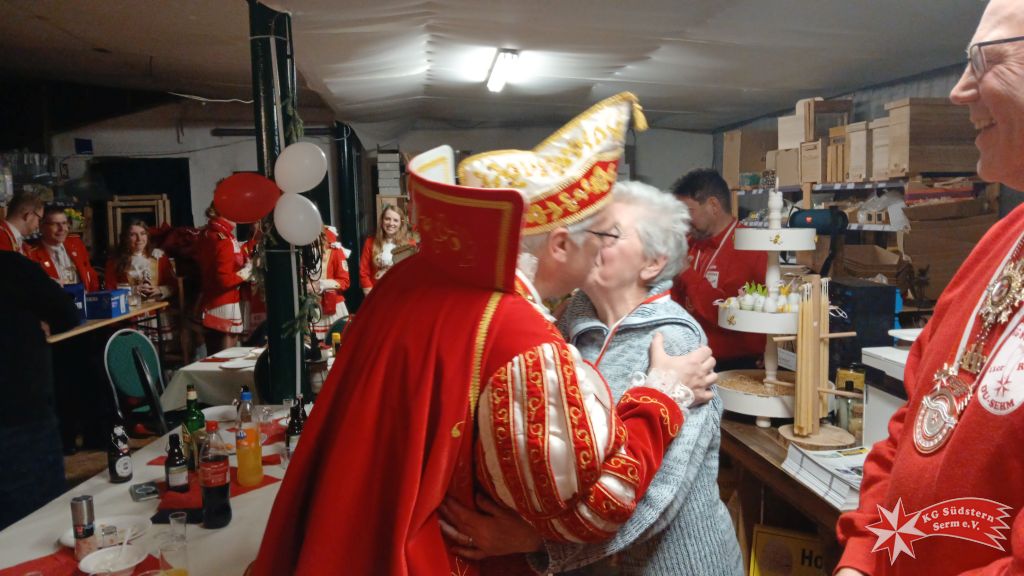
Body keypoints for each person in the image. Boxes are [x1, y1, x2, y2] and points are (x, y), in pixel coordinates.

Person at [251, 93, 718, 575]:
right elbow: (601, 506)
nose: (602, 249)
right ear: (560, 244)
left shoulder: (414, 273)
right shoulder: (524, 338)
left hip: (355, 525)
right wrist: (662, 394)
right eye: (602, 234)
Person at [441, 182, 744, 575]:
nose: (588, 240)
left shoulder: (675, 342)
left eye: (609, 234)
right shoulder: (570, 320)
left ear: (652, 263)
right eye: (589, 229)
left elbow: (658, 500)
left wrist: (535, 542)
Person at [836, 2, 1024, 574]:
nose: (959, 91)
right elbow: (915, 419)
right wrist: (861, 558)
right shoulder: (1001, 240)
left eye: (983, 61)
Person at [0, 250, 79, 529]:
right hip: (21, 412)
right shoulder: (10, 267)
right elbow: (66, 312)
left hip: (21, 409)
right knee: (38, 519)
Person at [670, 169, 766, 369]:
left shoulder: (750, 247)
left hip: (735, 364)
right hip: (689, 358)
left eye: (688, 212)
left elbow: (726, 314)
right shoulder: (690, 242)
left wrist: (687, 272)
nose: (683, 221)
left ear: (713, 205)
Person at [195, 203, 256, 355]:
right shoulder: (223, 239)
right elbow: (224, 280)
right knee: (224, 358)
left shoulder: (210, 234)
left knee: (218, 356)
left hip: (214, 301)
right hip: (223, 304)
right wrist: (247, 271)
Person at [28, 205, 100, 292]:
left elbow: (90, 275)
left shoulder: (76, 243)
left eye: (64, 223)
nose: (62, 229)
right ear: (41, 227)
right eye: (55, 224)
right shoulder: (31, 253)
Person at [104, 219, 176, 299]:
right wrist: (133, 290)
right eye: (133, 235)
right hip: (131, 306)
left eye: (142, 233)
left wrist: (160, 290)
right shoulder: (114, 262)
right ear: (125, 238)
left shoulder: (159, 257)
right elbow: (110, 290)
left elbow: (174, 286)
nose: (139, 239)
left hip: (158, 306)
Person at [358, 203, 414, 294]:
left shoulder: (410, 244)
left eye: (395, 220)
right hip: (376, 292)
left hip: (402, 293)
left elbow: (413, 273)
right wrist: (370, 294)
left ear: (401, 223)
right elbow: (364, 272)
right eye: (387, 219)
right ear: (382, 220)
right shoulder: (370, 242)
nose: (391, 223)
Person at [311, 225, 351, 342]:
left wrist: (321, 285)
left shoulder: (334, 250)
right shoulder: (299, 250)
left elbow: (344, 282)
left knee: (334, 345)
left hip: (331, 308)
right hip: (308, 309)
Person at [0, 190, 44, 255]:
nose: (38, 225)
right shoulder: (2, 237)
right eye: (39, 219)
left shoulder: (21, 244)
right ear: (28, 216)